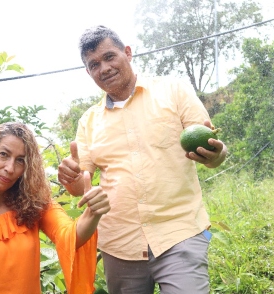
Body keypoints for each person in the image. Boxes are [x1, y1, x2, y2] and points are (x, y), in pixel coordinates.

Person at [57, 26, 228, 293]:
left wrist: (217, 154)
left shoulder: (174, 90)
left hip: (180, 232)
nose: (104, 68)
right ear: (88, 72)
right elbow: (83, 186)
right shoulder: (89, 121)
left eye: (109, 57)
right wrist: (72, 180)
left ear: (127, 53)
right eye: (94, 64)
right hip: (120, 245)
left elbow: (210, 149)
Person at [0, 122, 110, 294]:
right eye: (4, 154)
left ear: (27, 168)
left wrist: (93, 213)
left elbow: (71, 236)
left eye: (20, 160)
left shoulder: (36, 205)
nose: (9, 168)